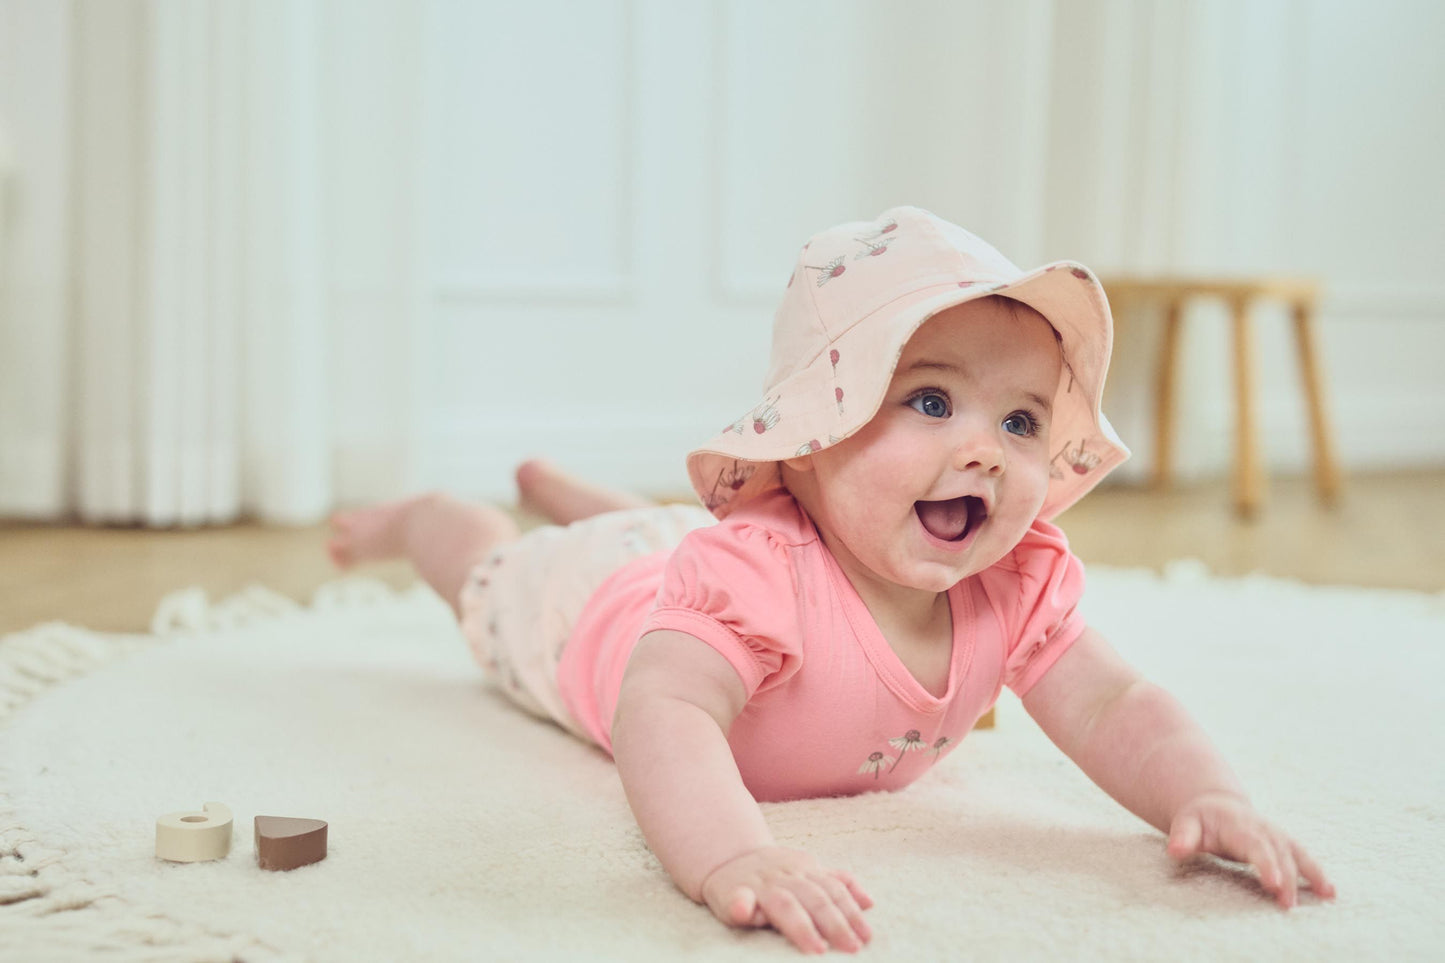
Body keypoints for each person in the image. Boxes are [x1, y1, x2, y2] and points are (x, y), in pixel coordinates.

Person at [328, 207, 1334, 955]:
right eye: (931, 400)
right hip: (592, 609)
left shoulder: (1012, 583)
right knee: (490, 571)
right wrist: (729, 855)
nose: (983, 450)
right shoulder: (753, 574)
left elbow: (1115, 700)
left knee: (665, 540)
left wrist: (1204, 792)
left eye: (1021, 421)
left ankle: (593, 500)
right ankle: (425, 518)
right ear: (806, 445)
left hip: (679, 559)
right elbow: (663, 711)